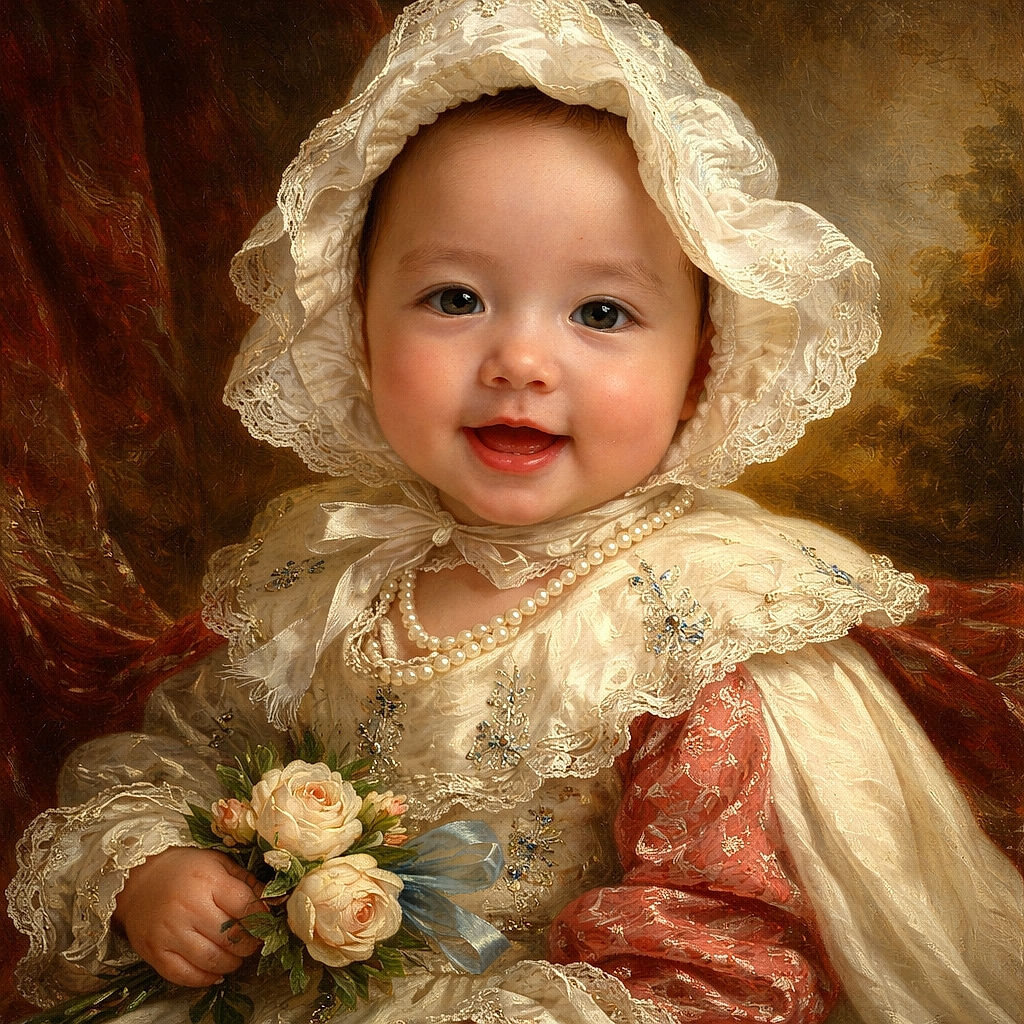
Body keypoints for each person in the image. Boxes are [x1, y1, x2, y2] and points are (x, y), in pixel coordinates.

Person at [7, 0, 1023, 1021]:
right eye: (454, 298)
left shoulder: (697, 623)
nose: (519, 364)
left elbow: (719, 958)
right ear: (354, 326)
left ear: (703, 362)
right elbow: (179, 759)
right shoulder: (328, 577)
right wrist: (156, 869)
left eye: (601, 312)